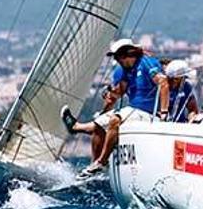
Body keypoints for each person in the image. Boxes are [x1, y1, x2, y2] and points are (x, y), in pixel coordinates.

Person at [61, 39, 169, 177]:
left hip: (148, 113)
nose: (116, 60)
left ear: (125, 55)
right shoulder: (125, 69)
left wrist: (164, 112)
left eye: (116, 57)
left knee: (114, 120)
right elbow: (120, 91)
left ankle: (101, 162)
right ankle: (84, 144)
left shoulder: (147, 63)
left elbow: (163, 83)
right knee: (100, 123)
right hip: (132, 110)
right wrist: (111, 93)